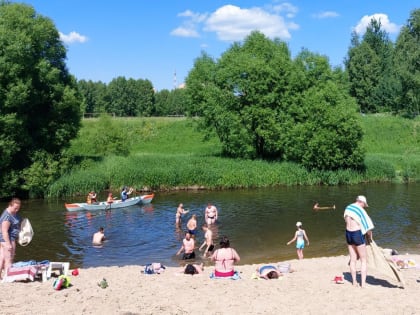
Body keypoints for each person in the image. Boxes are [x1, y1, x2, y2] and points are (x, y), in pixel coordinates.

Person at [344, 195, 374, 288]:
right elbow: (368, 226)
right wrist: (370, 237)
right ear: (361, 202)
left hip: (348, 233)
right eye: (364, 205)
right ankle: (363, 284)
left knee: (353, 259)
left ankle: (354, 282)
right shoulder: (360, 210)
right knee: (363, 260)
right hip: (357, 234)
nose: (364, 206)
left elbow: (346, 220)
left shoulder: (348, 207)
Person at [0, 198, 22, 279]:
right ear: (10, 205)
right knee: (9, 258)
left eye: (18, 208)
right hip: (7, 239)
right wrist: (8, 244)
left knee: (2, 258)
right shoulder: (7, 216)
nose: (17, 210)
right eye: (15, 208)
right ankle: (8, 277)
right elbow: (4, 231)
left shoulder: (13, 213)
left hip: (7, 239)